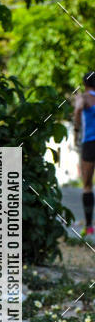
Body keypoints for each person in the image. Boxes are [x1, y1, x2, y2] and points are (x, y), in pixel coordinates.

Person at [73, 71, 95, 236]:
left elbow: (78, 109)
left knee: (87, 185)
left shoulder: (84, 97)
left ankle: (88, 226)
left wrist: (75, 131)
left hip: (89, 143)